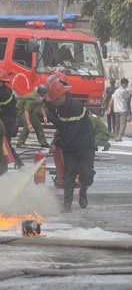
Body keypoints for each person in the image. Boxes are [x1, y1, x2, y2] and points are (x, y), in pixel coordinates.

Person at [47, 82, 95, 213]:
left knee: (86, 174)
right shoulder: (60, 106)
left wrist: (57, 143)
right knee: (68, 176)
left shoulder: (75, 106)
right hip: (70, 147)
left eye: (56, 99)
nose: (54, 102)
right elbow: (64, 125)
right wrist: (58, 133)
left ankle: (83, 191)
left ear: (62, 95)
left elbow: (71, 131)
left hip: (85, 145)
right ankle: (67, 206)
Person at [0, 68, 24, 168]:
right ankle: (14, 162)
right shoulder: (6, 90)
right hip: (9, 120)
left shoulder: (2, 93)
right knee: (5, 143)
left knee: (5, 144)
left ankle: (17, 163)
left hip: (6, 121)